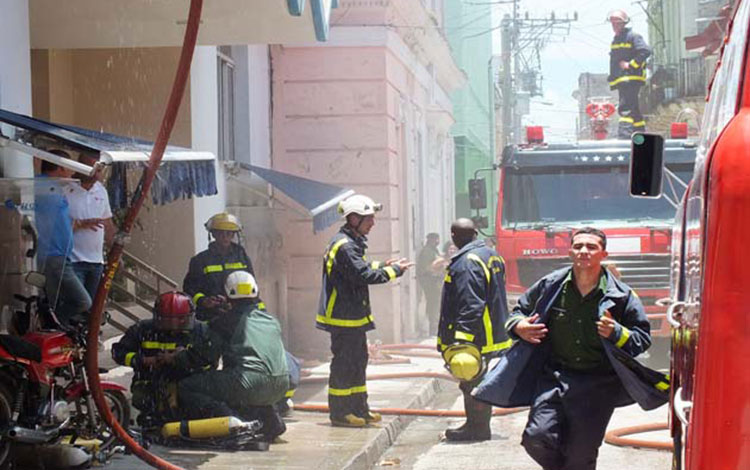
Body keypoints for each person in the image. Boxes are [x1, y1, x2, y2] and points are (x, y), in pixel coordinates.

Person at [473, 227, 669, 470]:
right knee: (536, 438)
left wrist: (616, 332)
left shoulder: (621, 295)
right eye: (578, 246)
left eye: (591, 247)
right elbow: (518, 313)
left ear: (603, 254)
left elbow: (642, 338)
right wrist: (519, 326)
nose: (583, 251)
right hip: (554, 378)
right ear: (569, 252)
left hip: (598, 385)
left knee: (581, 456)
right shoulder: (551, 285)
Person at [316, 194, 413, 427]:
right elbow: (362, 274)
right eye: (369, 218)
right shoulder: (345, 246)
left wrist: (384, 265)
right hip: (343, 317)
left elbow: (363, 266)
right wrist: (395, 272)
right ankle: (341, 413)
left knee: (358, 361)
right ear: (353, 218)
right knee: (345, 364)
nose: (373, 223)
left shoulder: (352, 243)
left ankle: (359, 408)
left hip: (353, 316)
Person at [174, 271, 289, 442]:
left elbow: (202, 357)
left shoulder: (223, 322)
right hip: (281, 385)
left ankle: (234, 424)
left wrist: (176, 358)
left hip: (249, 383)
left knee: (187, 386)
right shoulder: (269, 319)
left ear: (227, 295)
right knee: (248, 378)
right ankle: (273, 422)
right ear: (255, 292)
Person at [437, 218, 511, 441]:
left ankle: (477, 429)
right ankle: (476, 425)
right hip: (492, 330)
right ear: (475, 233)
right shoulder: (491, 254)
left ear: (453, 236)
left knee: (471, 380)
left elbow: (471, 303)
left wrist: (462, 339)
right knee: (477, 380)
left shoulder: (467, 261)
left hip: (476, 335)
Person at [111, 291, 214, 424]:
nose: (174, 326)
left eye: (180, 320)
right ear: (157, 317)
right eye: (168, 321)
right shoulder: (142, 329)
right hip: (151, 380)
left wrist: (183, 358)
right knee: (144, 399)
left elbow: (210, 362)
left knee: (192, 404)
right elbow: (118, 352)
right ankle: (153, 415)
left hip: (188, 381)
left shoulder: (201, 331)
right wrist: (143, 360)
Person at [34, 152, 92, 325]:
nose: (72, 172)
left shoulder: (53, 188)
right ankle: (52, 323)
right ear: (59, 167)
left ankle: (54, 323)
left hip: (61, 256)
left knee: (55, 299)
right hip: (53, 256)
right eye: (68, 166)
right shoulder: (42, 188)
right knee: (83, 301)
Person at [183, 212, 254, 320]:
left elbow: (252, 286)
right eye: (221, 233)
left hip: (239, 316)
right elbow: (189, 288)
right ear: (213, 234)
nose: (225, 237)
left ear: (233, 235)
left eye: (228, 233)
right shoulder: (200, 260)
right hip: (210, 317)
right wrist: (203, 301)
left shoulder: (242, 258)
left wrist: (235, 303)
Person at [66, 152, 115, 300]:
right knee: (78, 303)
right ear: (81, 167)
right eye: (93, 169)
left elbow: (108, 223)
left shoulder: (101, 190)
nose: (96, 174)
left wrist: (115, 252)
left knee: (93, 307)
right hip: (73, 261)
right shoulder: (66, 189)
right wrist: (81, 224)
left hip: (96, 262)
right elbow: (56, 226)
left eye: (99, 170)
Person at [608, 9, 651, 139]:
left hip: (630, 79)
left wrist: (631, 65)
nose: (614, 26)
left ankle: (624, 136)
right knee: (634, 110)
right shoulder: (617, 40)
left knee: (625, 108)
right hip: (623, 80)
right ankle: (640, 135)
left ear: (624, 23)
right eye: (613, 23)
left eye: (617, 23)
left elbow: (645, 51)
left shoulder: (633, 36)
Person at [416, 233, 442, 335]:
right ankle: (432, 329)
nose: (437, 241)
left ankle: (434, 328)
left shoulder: (433, 250)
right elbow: (427, 268)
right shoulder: (427, 251)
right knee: (432, 306)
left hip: (434, 282)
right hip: (429, 283)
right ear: (430, 240)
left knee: (435, 305)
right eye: (435, 239)